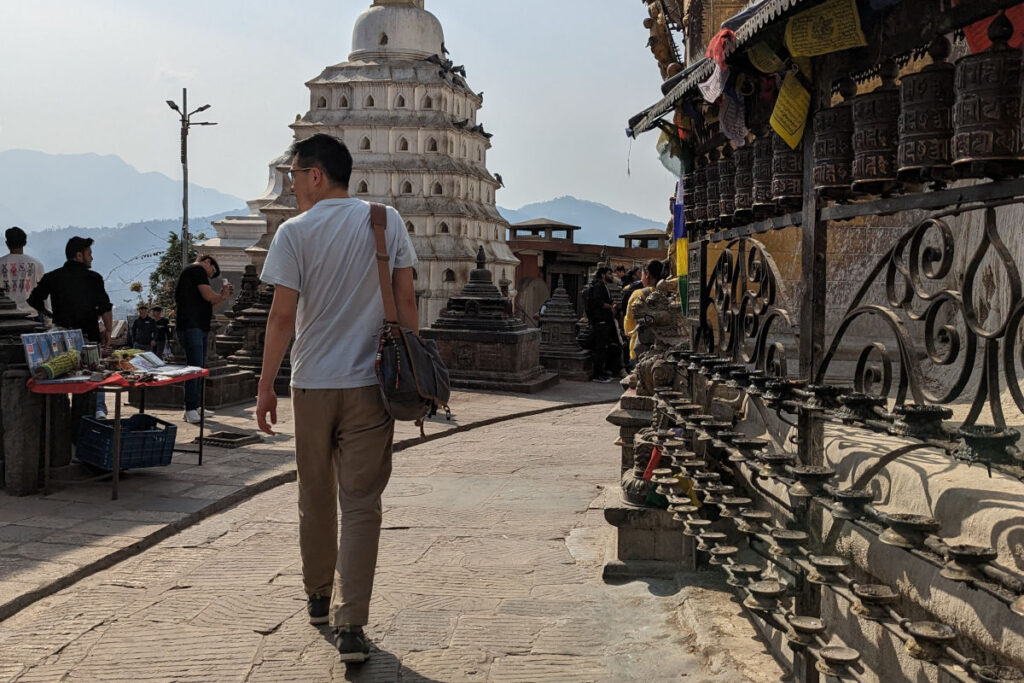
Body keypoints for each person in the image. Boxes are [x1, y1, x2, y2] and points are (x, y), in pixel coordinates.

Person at [255, 133, 418, 663]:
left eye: (294, 176)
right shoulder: (385, 220)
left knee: (316, 494)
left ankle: (318, 596)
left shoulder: (294, 233)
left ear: (316, 175)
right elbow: (407, 298)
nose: (293, 186)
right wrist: (409, 366)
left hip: (311, 384)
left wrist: (265, 385)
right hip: (371, 384)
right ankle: (352, 625)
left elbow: (282, 317)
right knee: (362, 502)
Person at [27, 236, 112, 420]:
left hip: (62, 338)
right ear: (79, 255)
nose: (92, 257)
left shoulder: (53, 277)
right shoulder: (94, 278)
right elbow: (105, 308)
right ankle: (95, 414)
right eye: (89, 254)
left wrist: (49, 314)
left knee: (62, 378)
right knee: (92, 378)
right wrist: (108, 331)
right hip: (89, 338)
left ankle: (61, 418)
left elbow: (33, 299)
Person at [174, 255, 233, 423]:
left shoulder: (195, 277)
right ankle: (189, 408)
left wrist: (223, 296)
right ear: (207, 262)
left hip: (199, 325)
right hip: (191, 325)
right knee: (194, 368)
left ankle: (196, 405)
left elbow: (210, 305)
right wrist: (220, 294)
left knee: (199, 368)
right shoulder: (196, 269)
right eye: (211, 272)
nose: (209, 276)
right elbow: (210, 297)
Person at [584, 266, 620, 383]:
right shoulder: (599, 285)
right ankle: (597, 374)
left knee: (604, 347)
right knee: (600, 348)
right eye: (609, 274)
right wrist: (610, 307)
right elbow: (597, 302)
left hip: (605, 321)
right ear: (603, 275)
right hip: (600, 321)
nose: (611, 276)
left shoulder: (604, 286)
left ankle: (602, 371)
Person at [624, 259, 665, 362]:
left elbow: (629, 324)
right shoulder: (667, 294)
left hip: (641, 348)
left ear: (647, 274)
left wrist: (628, 332)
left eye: (642, 274)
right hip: (663, 348)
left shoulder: (639, 294)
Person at [0, 227, 45, 317]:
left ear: (7, 243)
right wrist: (48, 318)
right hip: (31, 315)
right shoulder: (36, 264)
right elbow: (44, 294)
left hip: (5, 316)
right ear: (25, 243)